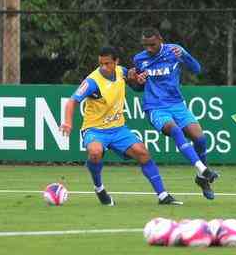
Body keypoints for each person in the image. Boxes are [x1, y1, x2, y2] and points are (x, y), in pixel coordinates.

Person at [60, 46, 183, 206]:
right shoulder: (92, 82)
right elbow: (71, 101)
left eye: (107, 63)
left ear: (116, 62)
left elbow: (136, 86)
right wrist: (68, 122)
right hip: (95, 129)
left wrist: (137, 80)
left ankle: (163, 195)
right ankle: (99, 188)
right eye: (101, 63)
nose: (104, 67)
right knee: (95, 152)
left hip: (118, 129)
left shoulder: (121, 71)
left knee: (143, 153)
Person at [128, 28, 219, 200]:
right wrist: (135, 81)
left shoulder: (174, 51)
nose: (149, 49)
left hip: (177, 104)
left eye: (152, 45)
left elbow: (197, 69)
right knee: (175, 130)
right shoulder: (140, 59)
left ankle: (202, 179)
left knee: (200, 139)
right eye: (145, 45)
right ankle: (204, 170)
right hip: (155, 107)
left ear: (160, 40)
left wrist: (184, 55)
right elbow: (138, 87)